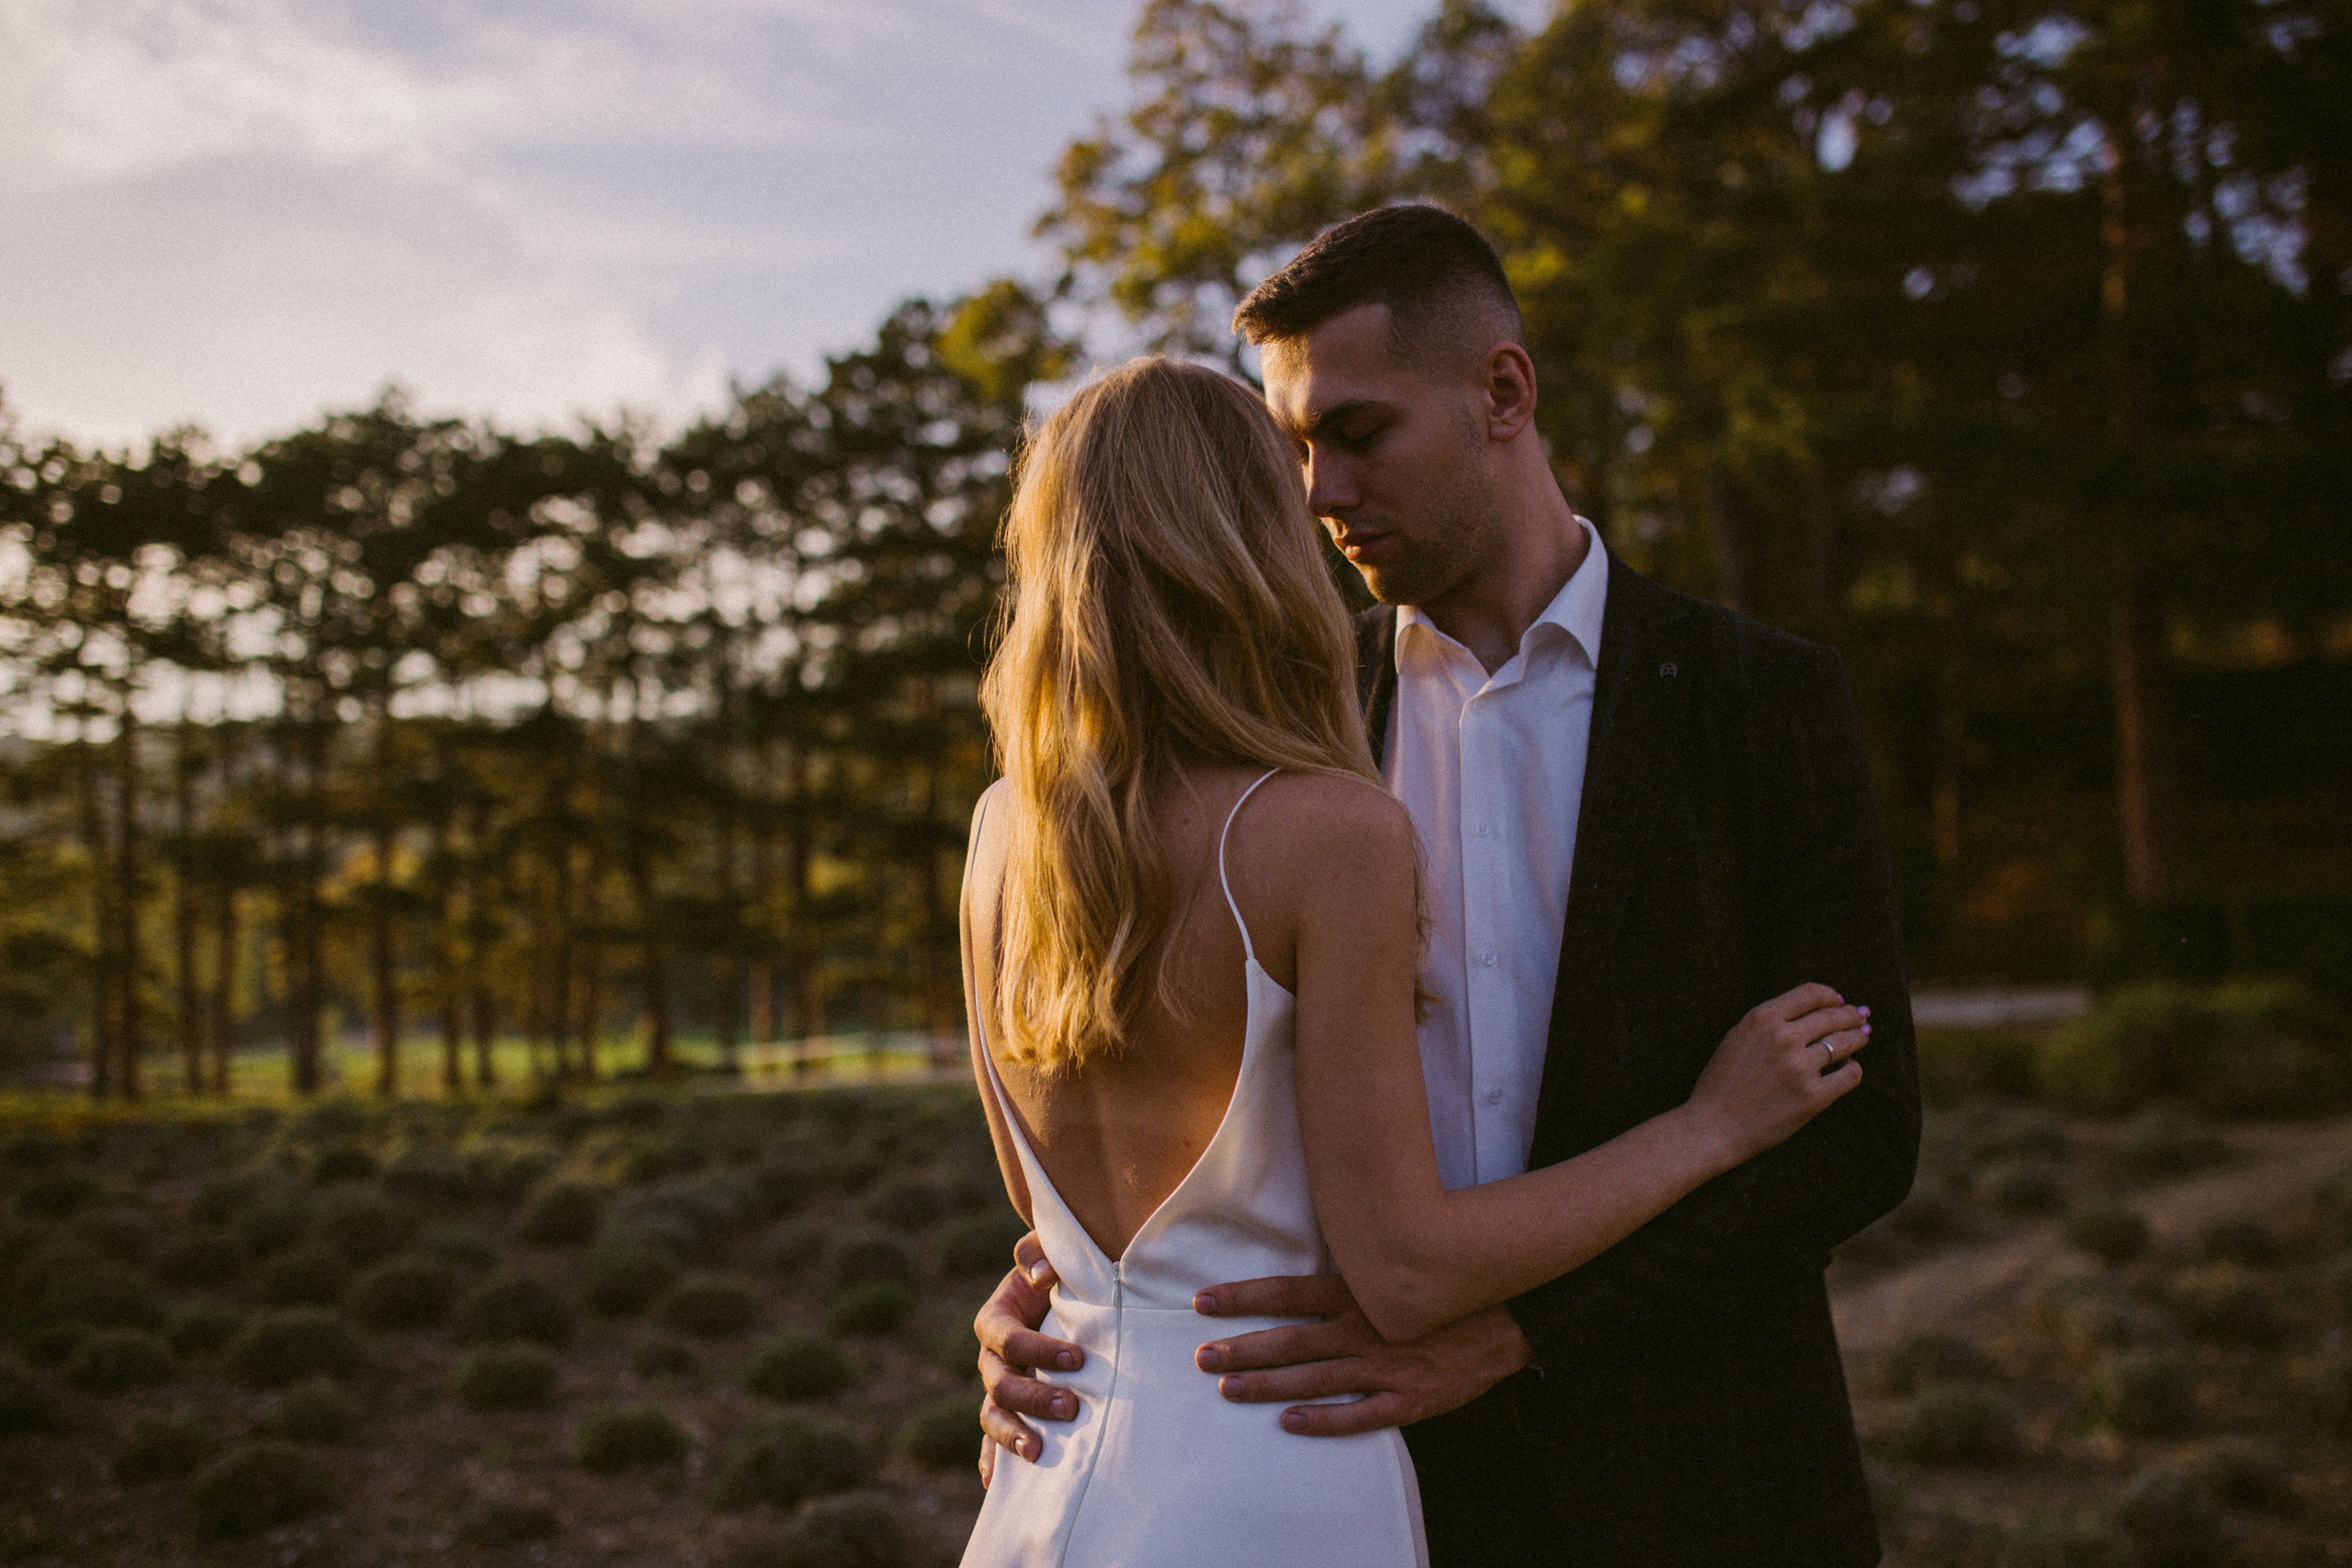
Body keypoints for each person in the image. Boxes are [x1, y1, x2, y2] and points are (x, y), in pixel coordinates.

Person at [974, 206, 1921, 1568]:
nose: (1320, 492)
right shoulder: (1289, 732)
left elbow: (1858, 1131)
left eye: (1358, 433)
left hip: (1699, 1474)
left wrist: (1518, 1338)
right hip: (1362, 1471)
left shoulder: (1758, 698)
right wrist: (1053, 1305)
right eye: (1293, 451)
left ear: (1504, 393)